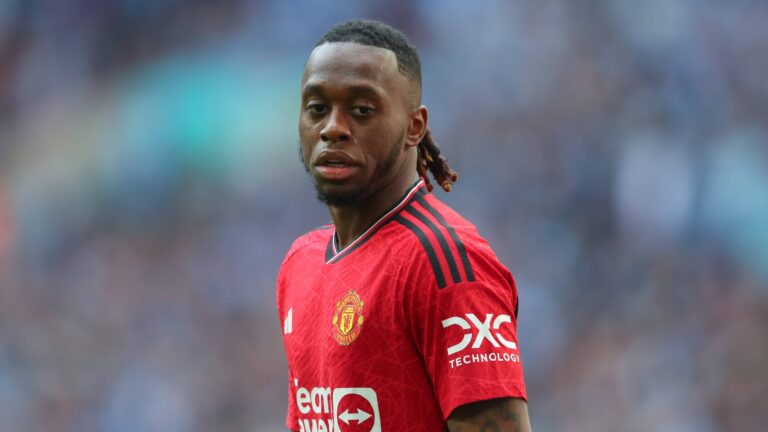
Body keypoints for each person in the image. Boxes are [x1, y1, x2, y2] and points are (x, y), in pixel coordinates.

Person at [276, 19, 531, 432]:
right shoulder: (299, 264)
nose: (333, 128)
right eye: (317, 109)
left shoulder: (444, 264)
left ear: (414, 126)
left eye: (361, 110)